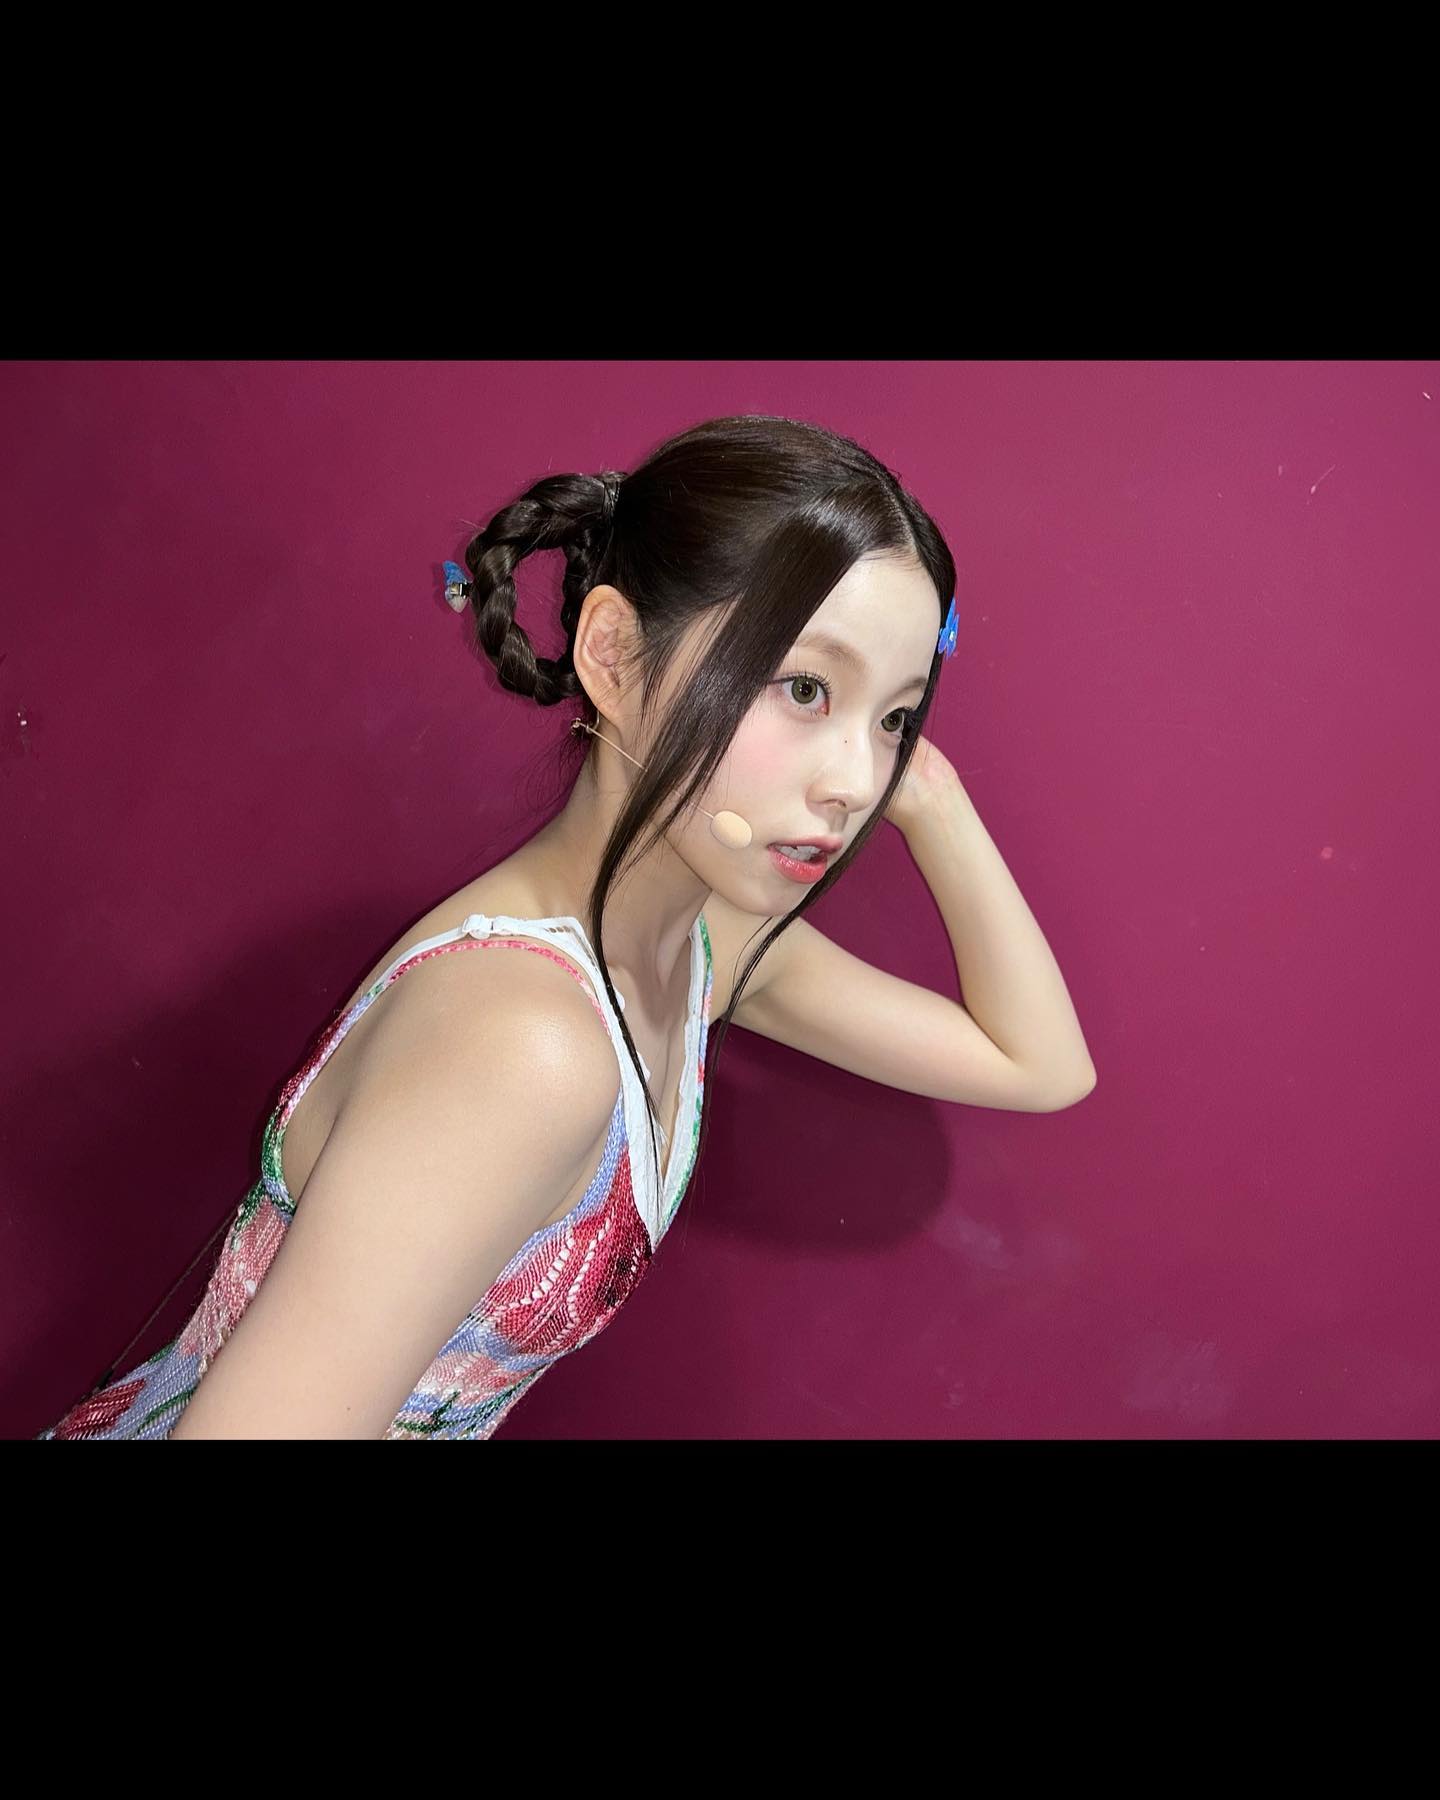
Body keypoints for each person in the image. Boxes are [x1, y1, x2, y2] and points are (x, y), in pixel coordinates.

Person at [37, 410, 1091, 1441]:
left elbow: (1037, 1064)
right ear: (616, 656)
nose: (857, 781)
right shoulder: (524, 1044)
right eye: (805, 688)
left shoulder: (706, 945)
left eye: (895, 718)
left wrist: (931, 795)